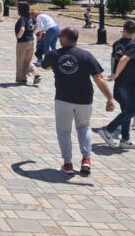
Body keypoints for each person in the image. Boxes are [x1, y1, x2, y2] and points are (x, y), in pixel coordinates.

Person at [42, 27, 115, 175]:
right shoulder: (86, 55)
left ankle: (68, 164)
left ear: (65, 38)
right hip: (84, 99)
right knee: (84, 127)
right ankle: (86, 160)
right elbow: (98, 78)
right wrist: (109, 98)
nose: (59, 38)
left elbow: (45, 67)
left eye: (60, 36)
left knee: (64, 131)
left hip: (63, 98)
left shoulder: (54, 55)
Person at [94, 20, 135, 150]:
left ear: (124, 30)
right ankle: (108, 130)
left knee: (126, 111)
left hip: (120, 83)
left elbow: (113, 59)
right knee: (132, 111)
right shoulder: (134, 45)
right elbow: (123, 59)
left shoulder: (117, 43)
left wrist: (113, 73)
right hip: (130, 84)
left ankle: (125, 139)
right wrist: (115, 74)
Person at [14, 1, 40, 85]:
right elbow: (37, 26)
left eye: (18, 8)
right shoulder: (31, 17)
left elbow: (22, 29)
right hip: (31, 41)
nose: (17, 9)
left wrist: (18, 36)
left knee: (20, 61)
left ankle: (20, 79)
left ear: (21, 9)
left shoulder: (22, 18)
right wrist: (32, 33)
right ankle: (36, 74)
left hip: (22, 42)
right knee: (27, 61)